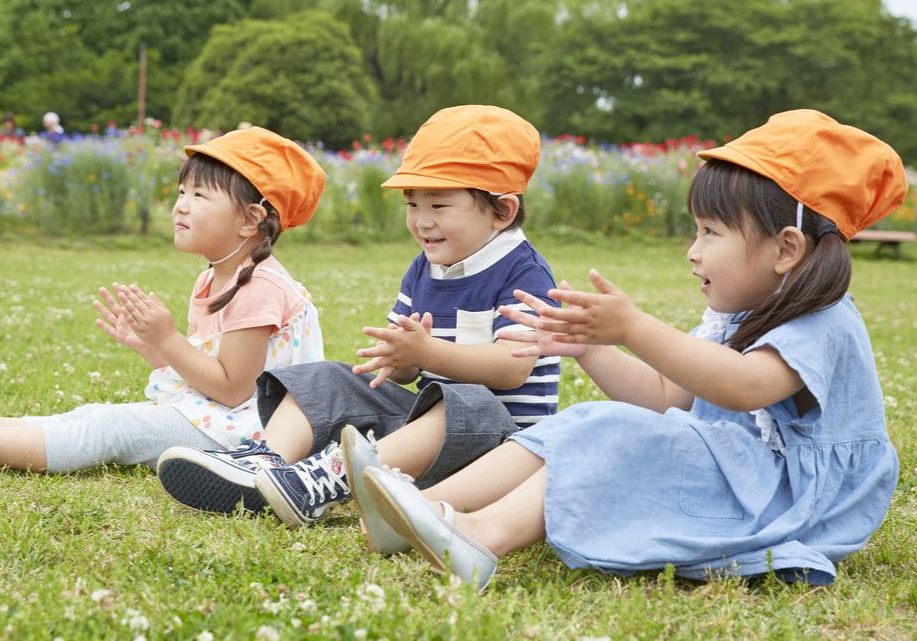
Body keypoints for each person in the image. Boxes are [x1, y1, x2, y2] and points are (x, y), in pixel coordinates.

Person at [358, 109, 907, 589]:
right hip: (739, 474)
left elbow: (746, 388)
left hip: (787, 498)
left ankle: (480, 536)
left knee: (607, 430)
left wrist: (631, 328)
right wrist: (588, 349)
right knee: (586, 422)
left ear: (786, 248)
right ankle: (423, 508)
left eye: (710, 233)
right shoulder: (734, 317)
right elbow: (667, 398)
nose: (693, 252)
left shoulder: (823, 320)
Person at [156, 105, 561, 542]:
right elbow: (408, 372)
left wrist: (428, 352)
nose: (422, 221)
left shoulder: (524, 273)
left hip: (498, 451)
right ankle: (263, 465)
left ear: (502, 211)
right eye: (412, 204)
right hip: (419, 444)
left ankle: (322, 480)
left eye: (439, 205)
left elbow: (513, 367)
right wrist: (401, 358)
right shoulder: (425, 267)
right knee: (325, 375)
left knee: (470, 403)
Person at [0, 127, 327, 475]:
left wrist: (169, 339)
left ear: (251, 220)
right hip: (220, 418)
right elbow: (208, 375)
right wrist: (154, 348)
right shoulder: (216, 275)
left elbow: (233, 390)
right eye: (180, 193)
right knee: (93, 413)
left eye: (199, 196)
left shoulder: (260, 287)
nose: (180, 207)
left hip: (253, 439)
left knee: (111, 428)